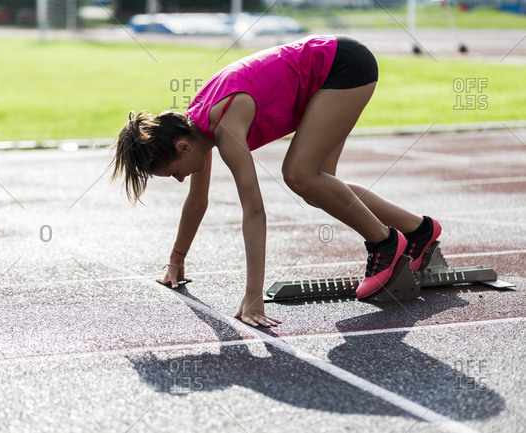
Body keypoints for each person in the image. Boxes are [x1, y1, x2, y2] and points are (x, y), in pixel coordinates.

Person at [111, 35, 442, 328]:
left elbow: (254, 210)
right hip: (330, 70)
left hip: (343, 66)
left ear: (182, 148)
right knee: (319, 185)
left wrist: (254, 296)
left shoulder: (222, 125)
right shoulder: (196, 126)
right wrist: (176, 260)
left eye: (175, 172)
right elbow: (197, 202)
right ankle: (418, 229)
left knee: (299, 175)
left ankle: (384, 243)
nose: (182, 179)